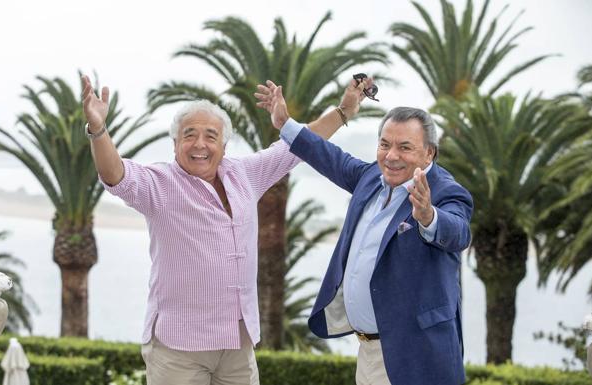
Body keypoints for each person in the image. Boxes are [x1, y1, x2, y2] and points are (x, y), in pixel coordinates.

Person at [81, 75, 372, 385]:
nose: (200, 145)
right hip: (178, 347)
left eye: (210, 136)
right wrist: (98, 130)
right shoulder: (159, 184)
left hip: (237, 342)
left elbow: (300, 147)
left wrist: (343, 111)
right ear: (175, 143)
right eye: (189, 135)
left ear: (223, 144)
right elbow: (116, 174)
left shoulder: (243, 174)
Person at [256, 81, 473, 385]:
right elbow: (328, 155)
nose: (391, 155)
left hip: (416, 358)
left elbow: (458, 231)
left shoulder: (446, 192)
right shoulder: (371, 176)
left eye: (405, 147)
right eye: (385, 144)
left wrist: (428, 216)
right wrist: (285, 124)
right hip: (368, 352)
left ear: (429, 154)